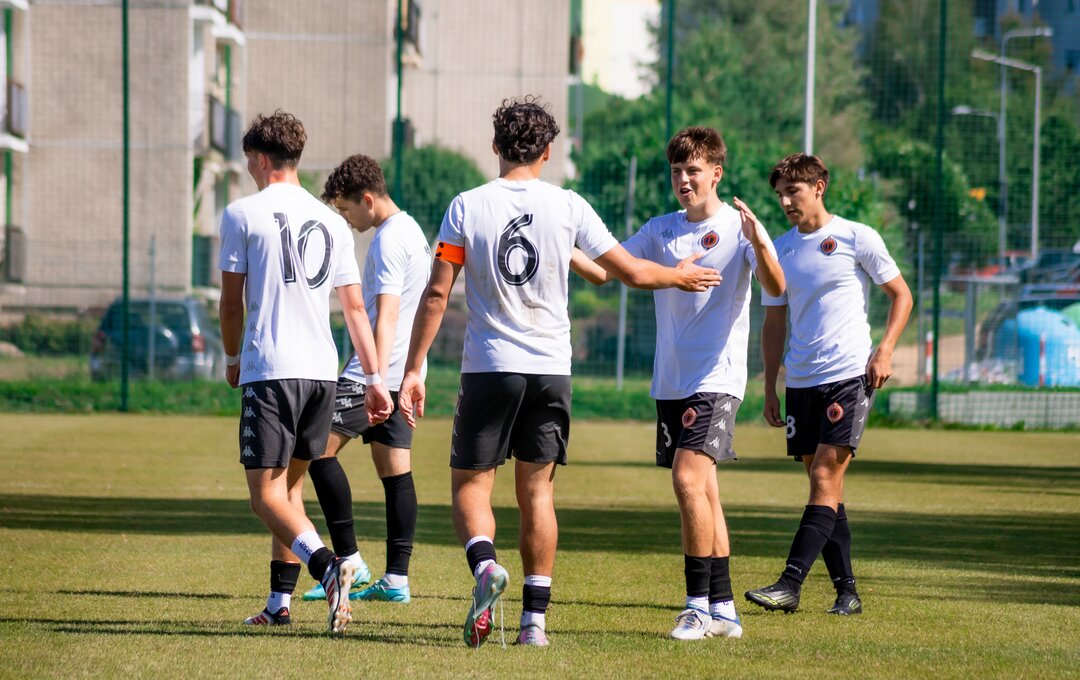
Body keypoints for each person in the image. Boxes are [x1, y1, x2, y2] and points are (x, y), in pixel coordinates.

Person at [397, 97, 722, 648]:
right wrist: (678, 276)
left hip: (490, 368)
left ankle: (485, 567)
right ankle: (534, 624)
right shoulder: (569, 205)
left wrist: (413, 368)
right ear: (548, 151)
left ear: (495, 146)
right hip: (551, 370)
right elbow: (629, 272)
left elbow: (436, 293)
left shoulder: (466, 206)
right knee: (538, 495)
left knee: (471, 487)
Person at [570, 126, 784, 641]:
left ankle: (696, 607)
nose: (684, 180)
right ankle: (725, 609)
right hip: (671, 381)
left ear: (716, 173)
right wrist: (557, 245)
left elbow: (777, 288)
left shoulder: (739, 228)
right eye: (676, 171)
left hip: (717, 378)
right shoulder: (660, 229)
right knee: (704, 490)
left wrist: (760, 241)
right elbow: (604, 272)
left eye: (693, 170)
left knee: (687, 481)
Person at [219, 111, 392, 634]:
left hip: (273, 370)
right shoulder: (332, 221)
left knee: (265, 497)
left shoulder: (241, 213)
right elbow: (356, 309)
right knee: (290, 493)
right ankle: (279, 604)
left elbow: (231, 302)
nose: (249, 169)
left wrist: (232, 358)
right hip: (322, 375)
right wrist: (375, 379)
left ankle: (329, 566)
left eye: (249, 160)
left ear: (260, 158)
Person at [744, 152, 912, 616]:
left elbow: (901, 295)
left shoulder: (857, 237)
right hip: (801, 381)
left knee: (823, 477)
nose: (785, 202)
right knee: (827, 491)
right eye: (779, 194)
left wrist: (885, 350)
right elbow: (773, 322)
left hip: (848, 376)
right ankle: (847, 592)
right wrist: (770, 385)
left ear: (819, 187)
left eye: (793, 192)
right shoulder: (779, 250)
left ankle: (790, 584)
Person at [294, 153, 430, 605]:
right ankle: (397, 580)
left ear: (367, 200)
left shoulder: (388, 241)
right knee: (396, 472)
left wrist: (374, 377)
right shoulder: (413, 232)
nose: (346, 220)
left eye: (346, 209)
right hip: (400, 374)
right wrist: (413, 371)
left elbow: (388, 315)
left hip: (373, 375)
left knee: (315, 448)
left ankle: (349, 561)